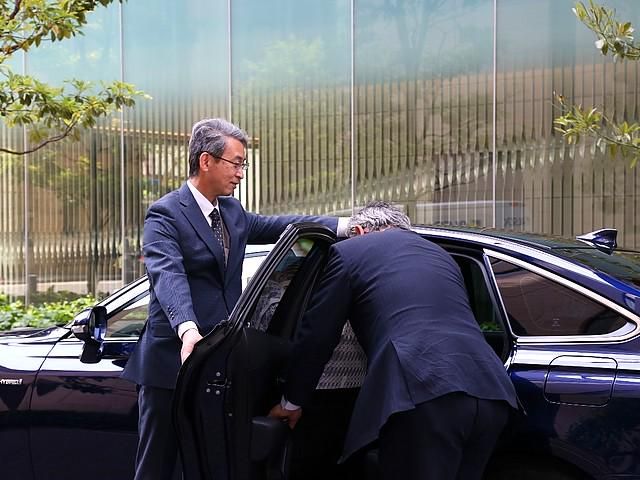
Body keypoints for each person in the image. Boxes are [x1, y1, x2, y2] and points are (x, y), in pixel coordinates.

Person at [121, 118, 347, 480]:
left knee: (215, 465)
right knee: (157, 466)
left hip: (220, 364)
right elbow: (167, 275)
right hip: (172, 362)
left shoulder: (231, 212)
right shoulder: (165, 214)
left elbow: (283, 226)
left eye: (243, 164)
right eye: (236, 163)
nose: (241, 173)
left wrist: (345, 226)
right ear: (206, 161)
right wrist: (187, 329)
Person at [269, 201, 518, 480]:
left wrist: (292, 402)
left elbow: (317, 335)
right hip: (491, 389)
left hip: (423, 391)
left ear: (359, 231)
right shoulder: (442, 255)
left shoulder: (350, 252)